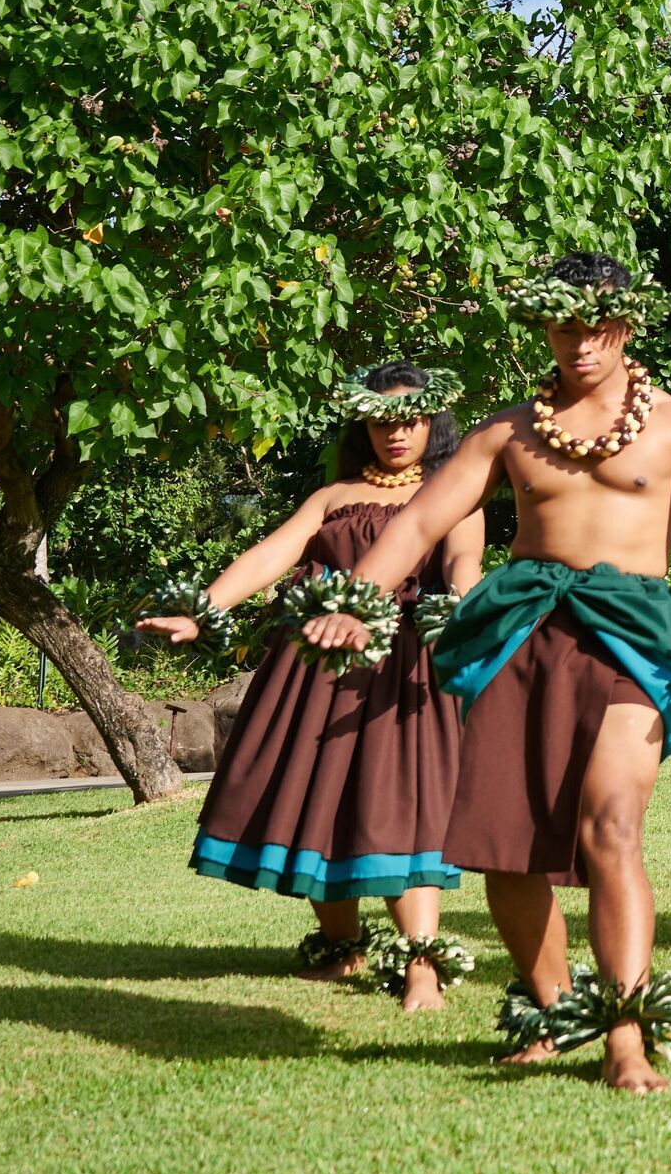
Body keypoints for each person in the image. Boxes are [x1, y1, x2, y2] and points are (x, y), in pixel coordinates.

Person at [310, 254, 671, 1093]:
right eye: (564, 323)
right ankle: (552, 1008)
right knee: (506, 851)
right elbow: (424, 519)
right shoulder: (507, 431)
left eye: (599, 323)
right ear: (543, 325)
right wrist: (359, 602)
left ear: (629, 323)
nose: (581, 341)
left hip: (633, 635)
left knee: (610, 824)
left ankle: (625, 1031)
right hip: (522, 633)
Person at [142, 363, 487, 1009]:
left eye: (411, 419)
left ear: (434, 421)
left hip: (400, 671)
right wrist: (202, 609)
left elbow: (465, 559)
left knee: (399, 808)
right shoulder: (333, 496)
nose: (396, 432)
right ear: (363, 423)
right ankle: (343, 949)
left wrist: (467, 600)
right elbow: (271, 554)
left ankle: (420, 966)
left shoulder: (452, 493)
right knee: (322, 803)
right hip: (314, 669)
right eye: (382, 419)